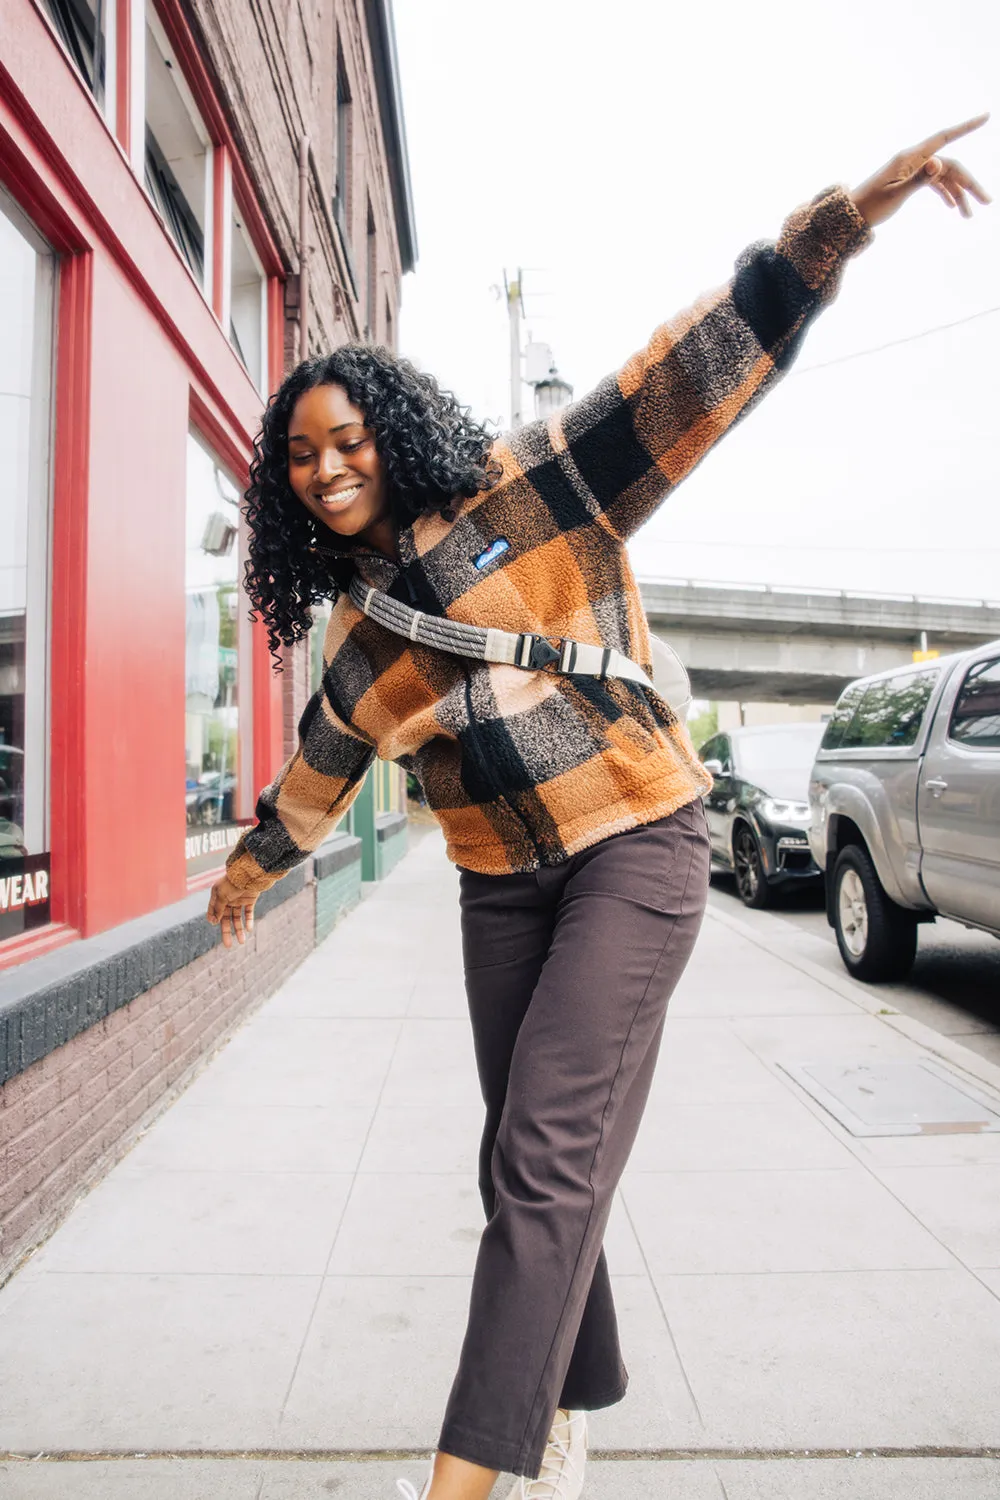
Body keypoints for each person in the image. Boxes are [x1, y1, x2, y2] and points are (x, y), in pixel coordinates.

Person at [207, 119, 989, 1500]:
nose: (327, 472)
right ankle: (576, 1402)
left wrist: (834, 229)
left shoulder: (537, 485)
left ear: (389, 430)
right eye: (302, 464)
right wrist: (253, 866)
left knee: (545, 1153)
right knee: (530, 1157)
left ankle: (471, 1479)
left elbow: (684, 377)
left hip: (637, 842)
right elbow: (323, 763)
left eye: (345, 443)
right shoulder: (359, 632)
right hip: (501, 884)